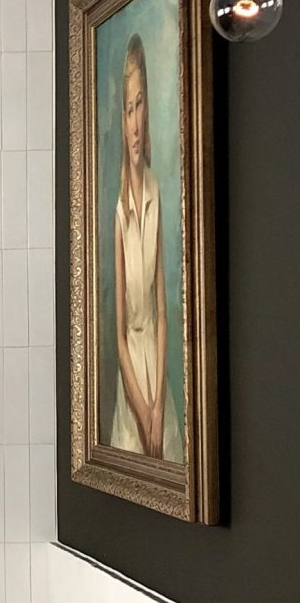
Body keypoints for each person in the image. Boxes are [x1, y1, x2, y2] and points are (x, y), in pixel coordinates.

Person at [110, 33, 182, 461]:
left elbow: (162, 313)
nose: (136, 123)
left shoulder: (157, 190)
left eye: (142, 106)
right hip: (131, 376)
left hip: (157, 370)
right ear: (123, 117)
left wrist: (158, 407)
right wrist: (141, 407)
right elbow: (119, 335)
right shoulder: (118, 211)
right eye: (129, 108)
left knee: (170, 454)